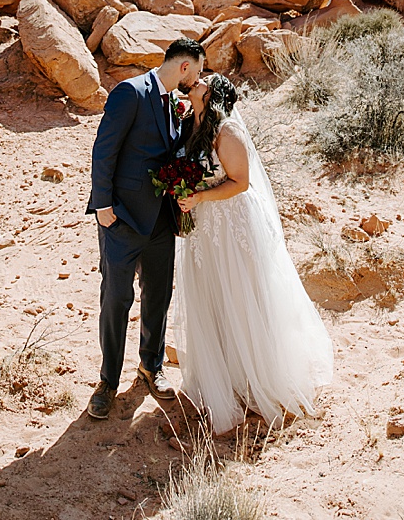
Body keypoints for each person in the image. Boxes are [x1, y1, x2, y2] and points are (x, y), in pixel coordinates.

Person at [174, 73, 333, 434]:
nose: (196, 81)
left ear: (214, 95)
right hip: (204, 225)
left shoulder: (227, 131)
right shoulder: (191, 121)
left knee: (240, 294)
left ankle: (257, 379)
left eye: (205, 81)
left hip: (231, 222)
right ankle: (224, 377)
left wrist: (199, 196)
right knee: (211, 294)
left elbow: (240, 182)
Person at [86, 37, 205, 420]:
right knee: (116, 301)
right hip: (121, 219)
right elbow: (104, 149)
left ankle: (150, 367)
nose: (198, 77)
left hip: (160, 223)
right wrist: (103, 207)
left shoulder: (173, 103)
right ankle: (107, 381)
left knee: (158, 297)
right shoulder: (131, 92)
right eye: (198, 70)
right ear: (185, 66)